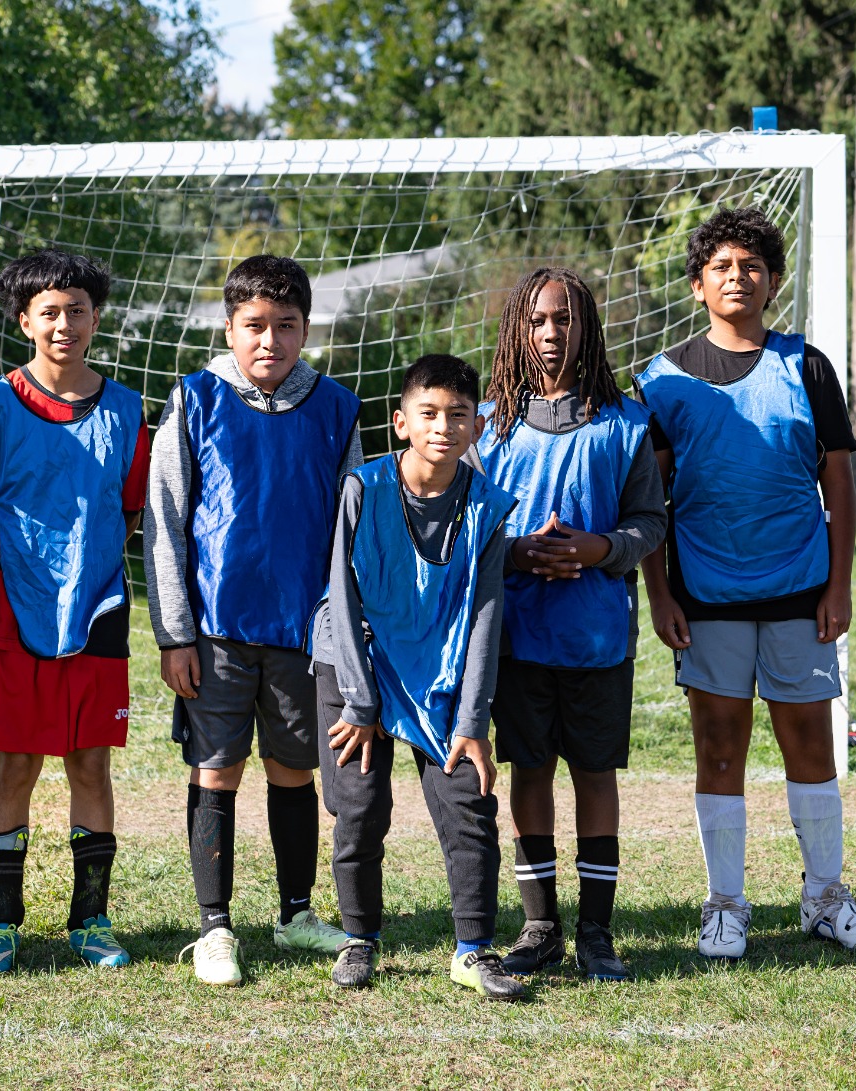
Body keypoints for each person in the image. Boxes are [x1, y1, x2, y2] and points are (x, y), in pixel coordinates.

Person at [637, 207, 856, 959]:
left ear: (773, 281)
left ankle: (825, 896)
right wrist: (660, 593)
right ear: (697, 285)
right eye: (721, 266)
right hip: (707, 594)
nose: (737, 277)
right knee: (719, 745)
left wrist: (839, 584)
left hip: (799, 589)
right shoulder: (663, 378)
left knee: (810, 739)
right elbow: (649, 499)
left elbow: (840, 480)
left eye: (751, 265)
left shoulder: (807, 365)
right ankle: (725, 903)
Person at [145, 254, 359, 986]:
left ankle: (296, 911)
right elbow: (165, 521)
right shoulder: (197, 398)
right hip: (217, 632)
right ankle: (213, 928)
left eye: (286, 326)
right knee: (217, 770)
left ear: (306, 329)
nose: (270, 340)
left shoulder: (336, 407)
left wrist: (342, 629)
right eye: (255, 325)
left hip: (304, 633)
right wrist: (175, 632)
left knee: (293, 771)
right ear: (230, 327)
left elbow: (348, 531)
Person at [0, 248, 149, 974]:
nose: (63, 323)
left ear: (96, 317)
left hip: (98, 614)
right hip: (17, 617)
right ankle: (1, 922)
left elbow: (128, 513)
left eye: (77, 310)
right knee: (14, 767)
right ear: (23, 320)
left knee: (91, 765)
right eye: (48, 312)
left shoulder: (130, 411)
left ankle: (90, 919)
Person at [475, 268, 665, 981]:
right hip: (520, 638)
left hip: (596, 639)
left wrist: (598, 548)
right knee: (530, 770)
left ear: (586, 326)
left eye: (564, 319)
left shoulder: (625, 424)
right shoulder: (489, 428)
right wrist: (519, 550)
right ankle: (539, 925)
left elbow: (650, 522)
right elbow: (470, 528)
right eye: (537, 320)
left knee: (594, 773)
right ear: (517, 331)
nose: (552, 333)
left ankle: (597, 931)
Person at [311, 354, 522, 997]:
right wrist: (359, 700)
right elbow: (341, 596)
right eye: (428, 413)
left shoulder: (486, 506)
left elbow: (487, 615)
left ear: (477, 426)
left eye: (459, 414)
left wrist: (472, 720)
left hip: (446, 669)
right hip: (358, 668)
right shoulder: (363, 489)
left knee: (469, 803)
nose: (443, 426)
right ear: (401, 422)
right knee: (359, 805)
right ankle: (359, 939)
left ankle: (473, 949)